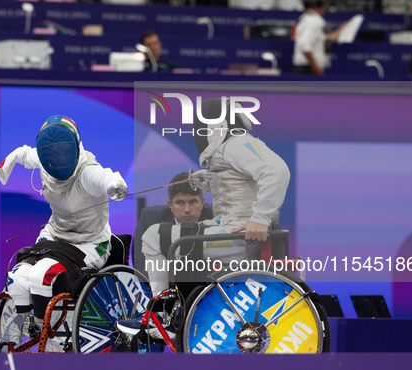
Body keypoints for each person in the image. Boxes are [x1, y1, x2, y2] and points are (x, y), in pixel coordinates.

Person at [117, 98, 290, 339]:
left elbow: (277, 170)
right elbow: (239, 184)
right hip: (233, 233)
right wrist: (210, 179)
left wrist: (260, 218)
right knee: (180, 235)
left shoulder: (237, 144)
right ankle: (176, 310)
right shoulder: (231, 147)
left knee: (154, 236)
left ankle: (162, 315)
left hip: (241, 239)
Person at [0, 115, 128, 339]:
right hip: (54, 237)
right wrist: (7, 164)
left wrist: (115, 185)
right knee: (18, 277)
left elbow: (104, 178)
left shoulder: (87, 172)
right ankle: (22, 329)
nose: (57, 159)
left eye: (63, 152)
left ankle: (42, 333)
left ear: (75, 147)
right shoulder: (45, 162)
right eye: (52, 153)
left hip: (91, 243)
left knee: (42, 275)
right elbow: (24, 153)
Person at [132, 172, 214, 277]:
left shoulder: (216, 218)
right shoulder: (150, 219)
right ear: (170, 204)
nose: (187, 209)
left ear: (202, 203)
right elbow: (141, 265)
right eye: (180, 202)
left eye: (193, 202)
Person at [292, 0, 347, 75]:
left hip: (306, 68)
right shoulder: (314, 21)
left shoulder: (307, 19)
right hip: (308, 70)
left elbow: (328, 37)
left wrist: (345, 27)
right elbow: (305, 45)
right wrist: (315, 67)